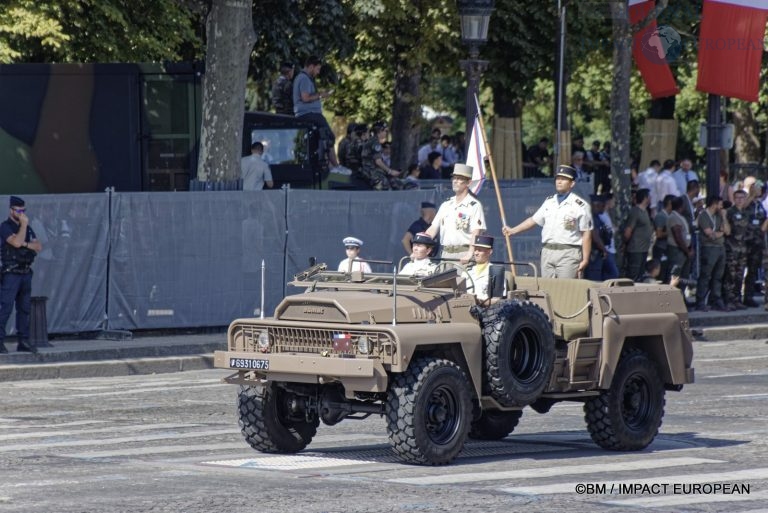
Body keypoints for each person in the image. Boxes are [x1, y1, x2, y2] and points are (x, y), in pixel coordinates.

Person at [502, 165, 592, 279]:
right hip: (547, 252)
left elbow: (586, 233)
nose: (559, 181)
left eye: (564, 179)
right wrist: (513, 230)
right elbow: (533, 220)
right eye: (558, 178)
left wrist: (585, 259)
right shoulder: (549, 201)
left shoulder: (580, 205)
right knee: (547, 289)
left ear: (572, 183)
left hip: (568, 252)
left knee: (566, 290)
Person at [0, 196, 43, 354]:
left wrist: (26, 243)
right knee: (5, 308)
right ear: (11, 210)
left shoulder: (28, 228)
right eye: (18, 210)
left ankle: (23, 341)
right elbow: (16, 242)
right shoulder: (5, 227)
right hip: (11, 273)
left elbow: (38, 246)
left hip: (25, 273)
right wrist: (23, 227)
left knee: (24, 309)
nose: (21, 213)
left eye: (23, 210)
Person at [424, 164, 486, 263]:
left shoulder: (474, 205)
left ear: (469, 182)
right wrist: (421, 242)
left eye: (459, 178)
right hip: (445, 253)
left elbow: (476, 232)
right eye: (454, 178)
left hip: (463, 253)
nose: (455, 181)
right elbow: (433, 228)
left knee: (461, 279)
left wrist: (470, 253)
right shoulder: (446, 205)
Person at [292, 55, 340, 167]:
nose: (318, 72)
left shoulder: (302, 78)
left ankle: (329, 165)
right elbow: (305, 98)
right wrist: (321, 95)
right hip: (309, 114)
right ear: (311, 66)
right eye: (317, 69)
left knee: (320, 139)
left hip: (308, 114)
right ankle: (336, 167)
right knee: (329, 136)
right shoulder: (304, 78)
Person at [695, 195, 729, 311]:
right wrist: (720, 233)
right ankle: (700, 301)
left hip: (720, 248)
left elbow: (727, 231)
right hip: (709, 248)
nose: (721, 207)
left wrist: (724, 217)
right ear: (714, 204)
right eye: (720, 204)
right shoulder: (703, 216)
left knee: (718, 276)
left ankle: (716, 299)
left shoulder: (719, 216)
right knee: (705, 275)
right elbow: (711, 234)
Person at [724, 189, 750, 309]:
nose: (740, 200)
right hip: (731, 248)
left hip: (743, 249)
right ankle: (729, 300)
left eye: (742, 197)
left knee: (740, 276)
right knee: (730, 275)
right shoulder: (730, 212)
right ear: (734, 199)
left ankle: (737, 299)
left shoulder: (747, 212)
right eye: (737, 198)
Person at [463, 235, 506, 306]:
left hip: (486, 311)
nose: (476, 253)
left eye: (479, 250)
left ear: (489, 252)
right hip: (464, 309)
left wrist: (479, 302)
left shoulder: (496, 272)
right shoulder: (467, 271)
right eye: (475, 249)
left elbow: (498, 300)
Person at [360, 121, 402, 190]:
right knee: (387, 188)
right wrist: (390, 172)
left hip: (368, 171)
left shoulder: (371, 141)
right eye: (385, 131)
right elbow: (378, 162)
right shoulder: (375, 143)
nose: (386, 133)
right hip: (372, 173)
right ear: (380, 131)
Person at [623, 188, 653, 281]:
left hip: (644, 249)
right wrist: (625, 244)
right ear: (645, 198)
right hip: (636, 249)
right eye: (649, 196)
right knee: (633, 274)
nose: (651, 198)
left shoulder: (646, 211)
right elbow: (628, 230)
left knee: (640, 275)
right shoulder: (635, 211)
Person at [666, 196, 693, 287]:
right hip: (677, 250)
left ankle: (681, 295)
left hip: (684, 250)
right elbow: (678, 237)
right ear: (681, 206)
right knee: (675, 274)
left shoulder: (681, 217)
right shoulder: (673, 217)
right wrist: (687, 250)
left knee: (684, 276)